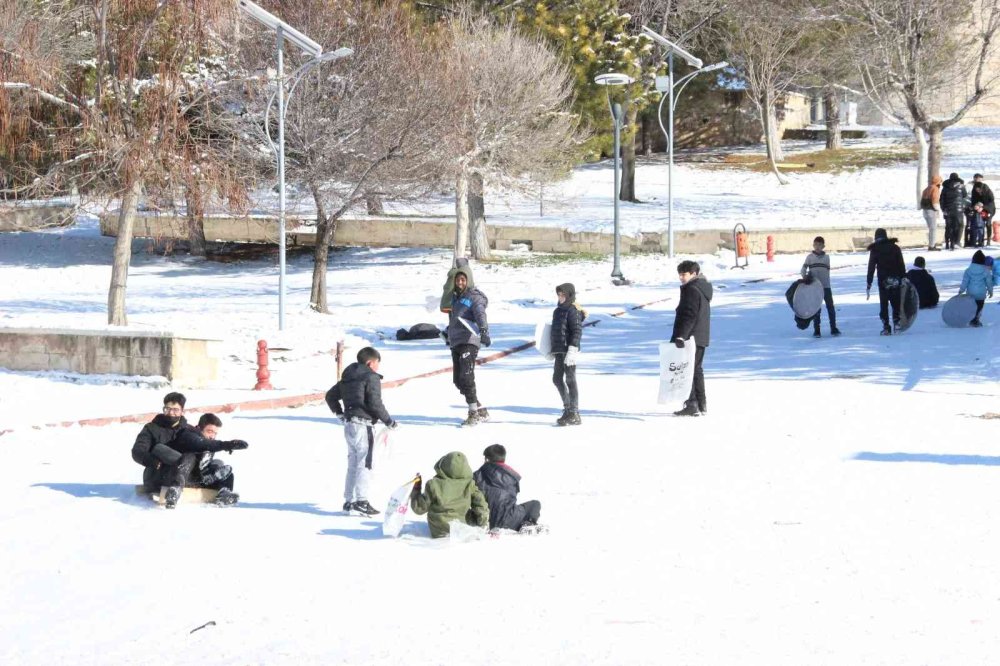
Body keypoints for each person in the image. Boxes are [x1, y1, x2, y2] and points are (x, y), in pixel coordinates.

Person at [325, 347, 398, 516]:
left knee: (353, 464)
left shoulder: (348, 377)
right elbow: (375, 403)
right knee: (365, 463)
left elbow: (330, 396)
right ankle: (361, 501)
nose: (378, 367)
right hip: (364, 425)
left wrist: (340, 413)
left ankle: (349, 501)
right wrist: (389, 421)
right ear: (370, 362)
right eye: (377, 363)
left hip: (349, 425)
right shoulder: (371, 377)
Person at [164, 413, 248, 508]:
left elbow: (206, 450)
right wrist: (226, 445)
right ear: (199, 428)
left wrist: (211, 474)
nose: (212, 436)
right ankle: (175, 490)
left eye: (215, 433)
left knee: (221, 467)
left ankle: (224, 493)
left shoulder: (209, 444)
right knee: (189, 457)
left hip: (195, 479)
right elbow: (201, 444)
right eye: (209, 431)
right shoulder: (188, 434)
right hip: (174, 476)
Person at [445, 268, 491, 426]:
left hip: (469, 340)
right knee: (458, 381)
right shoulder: (455, 298)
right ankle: (479, 409)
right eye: (458, 280)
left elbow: (480, 314)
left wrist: (484, 331)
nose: (460, 282)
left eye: (463, 280)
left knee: (466, 376)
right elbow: (455, 319)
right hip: (456, 341)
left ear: (468, 280)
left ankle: (473, 414)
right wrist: (447, 332)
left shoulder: (474, 297)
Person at [410, 451, 490, 538]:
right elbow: (481, 505)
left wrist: (416, 489)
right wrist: (481, 524)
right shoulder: (470, 484)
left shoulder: (433, 484)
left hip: (439, 530)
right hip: (462, 528)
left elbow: (419, 508)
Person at [671, 260, 712, 417]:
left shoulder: (691, 289)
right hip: (700, 335)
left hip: (690, 337)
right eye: (680, 274)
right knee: (696, 370)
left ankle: (692, 404)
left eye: (684, 274)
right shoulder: (702, 287)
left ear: (693, 274)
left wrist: (681, 336)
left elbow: (689, 314)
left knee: (687, 370)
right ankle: (701, 404)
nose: (681, 278)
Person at [473, 444, 542, 533]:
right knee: (535, 504)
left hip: (484, 520)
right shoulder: (512, 476)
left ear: (486, 459)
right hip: (509, 520)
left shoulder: (476, 475)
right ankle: (528, 524)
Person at [131, 391, 189, 494]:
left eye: (175, 410)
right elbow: (137, 450)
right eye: (167, 409)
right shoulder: (151, 428)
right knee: (160, 449)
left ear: (182, 411)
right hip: (156, 475)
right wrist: (151, 460)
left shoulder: (188, 430)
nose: (171, 413)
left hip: (181, 473)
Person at [549, 282, 585, 426]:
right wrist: (550, 349)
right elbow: (554, 331)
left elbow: (577, 331)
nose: (560, 297)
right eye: (559, 295)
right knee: (557, 379)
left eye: (563, 295)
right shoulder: (557, 311)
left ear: (569, 295)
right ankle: (568, 408)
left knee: (570, 380)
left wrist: (572, 349)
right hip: (559, 350)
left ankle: (574, 412)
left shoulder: (573, 310)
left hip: (569, 350)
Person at [866, 228, 906, 335]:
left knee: (884, 303)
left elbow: (871, 267)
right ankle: (897, 322)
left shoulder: (875, 250)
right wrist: (903, 277)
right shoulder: (895, 248)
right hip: (895, 278)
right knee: (895, 301)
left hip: (883, 280)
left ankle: (886, 326)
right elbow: (901, 264)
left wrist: (869, 282)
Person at [800, 236, 841, 338]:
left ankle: (833, 328)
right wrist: (805, 277)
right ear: (813, 245)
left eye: (819, 245)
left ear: (823, 246)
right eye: (815, 245)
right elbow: (803, 269)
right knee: (816, 309)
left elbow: (826, 271)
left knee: (830, 307)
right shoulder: (810, 257)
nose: (817, 247)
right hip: (815, 287)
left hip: (826, 286)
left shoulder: (826, 258)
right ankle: (817, 330)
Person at [959, 250, 994, 327]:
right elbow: (989, 282)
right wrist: (990, 291)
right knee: (979, 307)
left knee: (971, 306)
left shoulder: (968, 271)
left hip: (971, 293)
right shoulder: (986, 271)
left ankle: (972, 319)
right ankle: (975, 320)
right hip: (981, 294)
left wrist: (961, 290)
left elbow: (965, 282)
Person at [940, 173, 968, 250]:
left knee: (949, 226)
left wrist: (943, 209)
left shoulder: (945, 187)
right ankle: (956, 242)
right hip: (958, 210)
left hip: (948, 210)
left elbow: (942, 199)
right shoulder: (961, 186)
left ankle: (948, 243)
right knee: (959, 225)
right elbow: (965, 195)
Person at [919, 175, 943, 250]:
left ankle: (931, 244)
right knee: (933, 229)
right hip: (931, 210)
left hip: (925, 210)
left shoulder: (927, 188)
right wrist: (937, 209)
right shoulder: (935, 189)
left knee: (930, 228)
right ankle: (932, 245)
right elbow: (935, 201)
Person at [971, 174, 995, 246]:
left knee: (988, 223)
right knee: (980, 224)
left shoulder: (987, 190)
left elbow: (991, 200)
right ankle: (980, 241)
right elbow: (973, 200)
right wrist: (975, 206)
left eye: (979, 190)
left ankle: (988, 240)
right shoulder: (974, 191)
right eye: (976, 190)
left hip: (989, 208)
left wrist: (983, 207)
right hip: (980, 209)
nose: (978, 191)